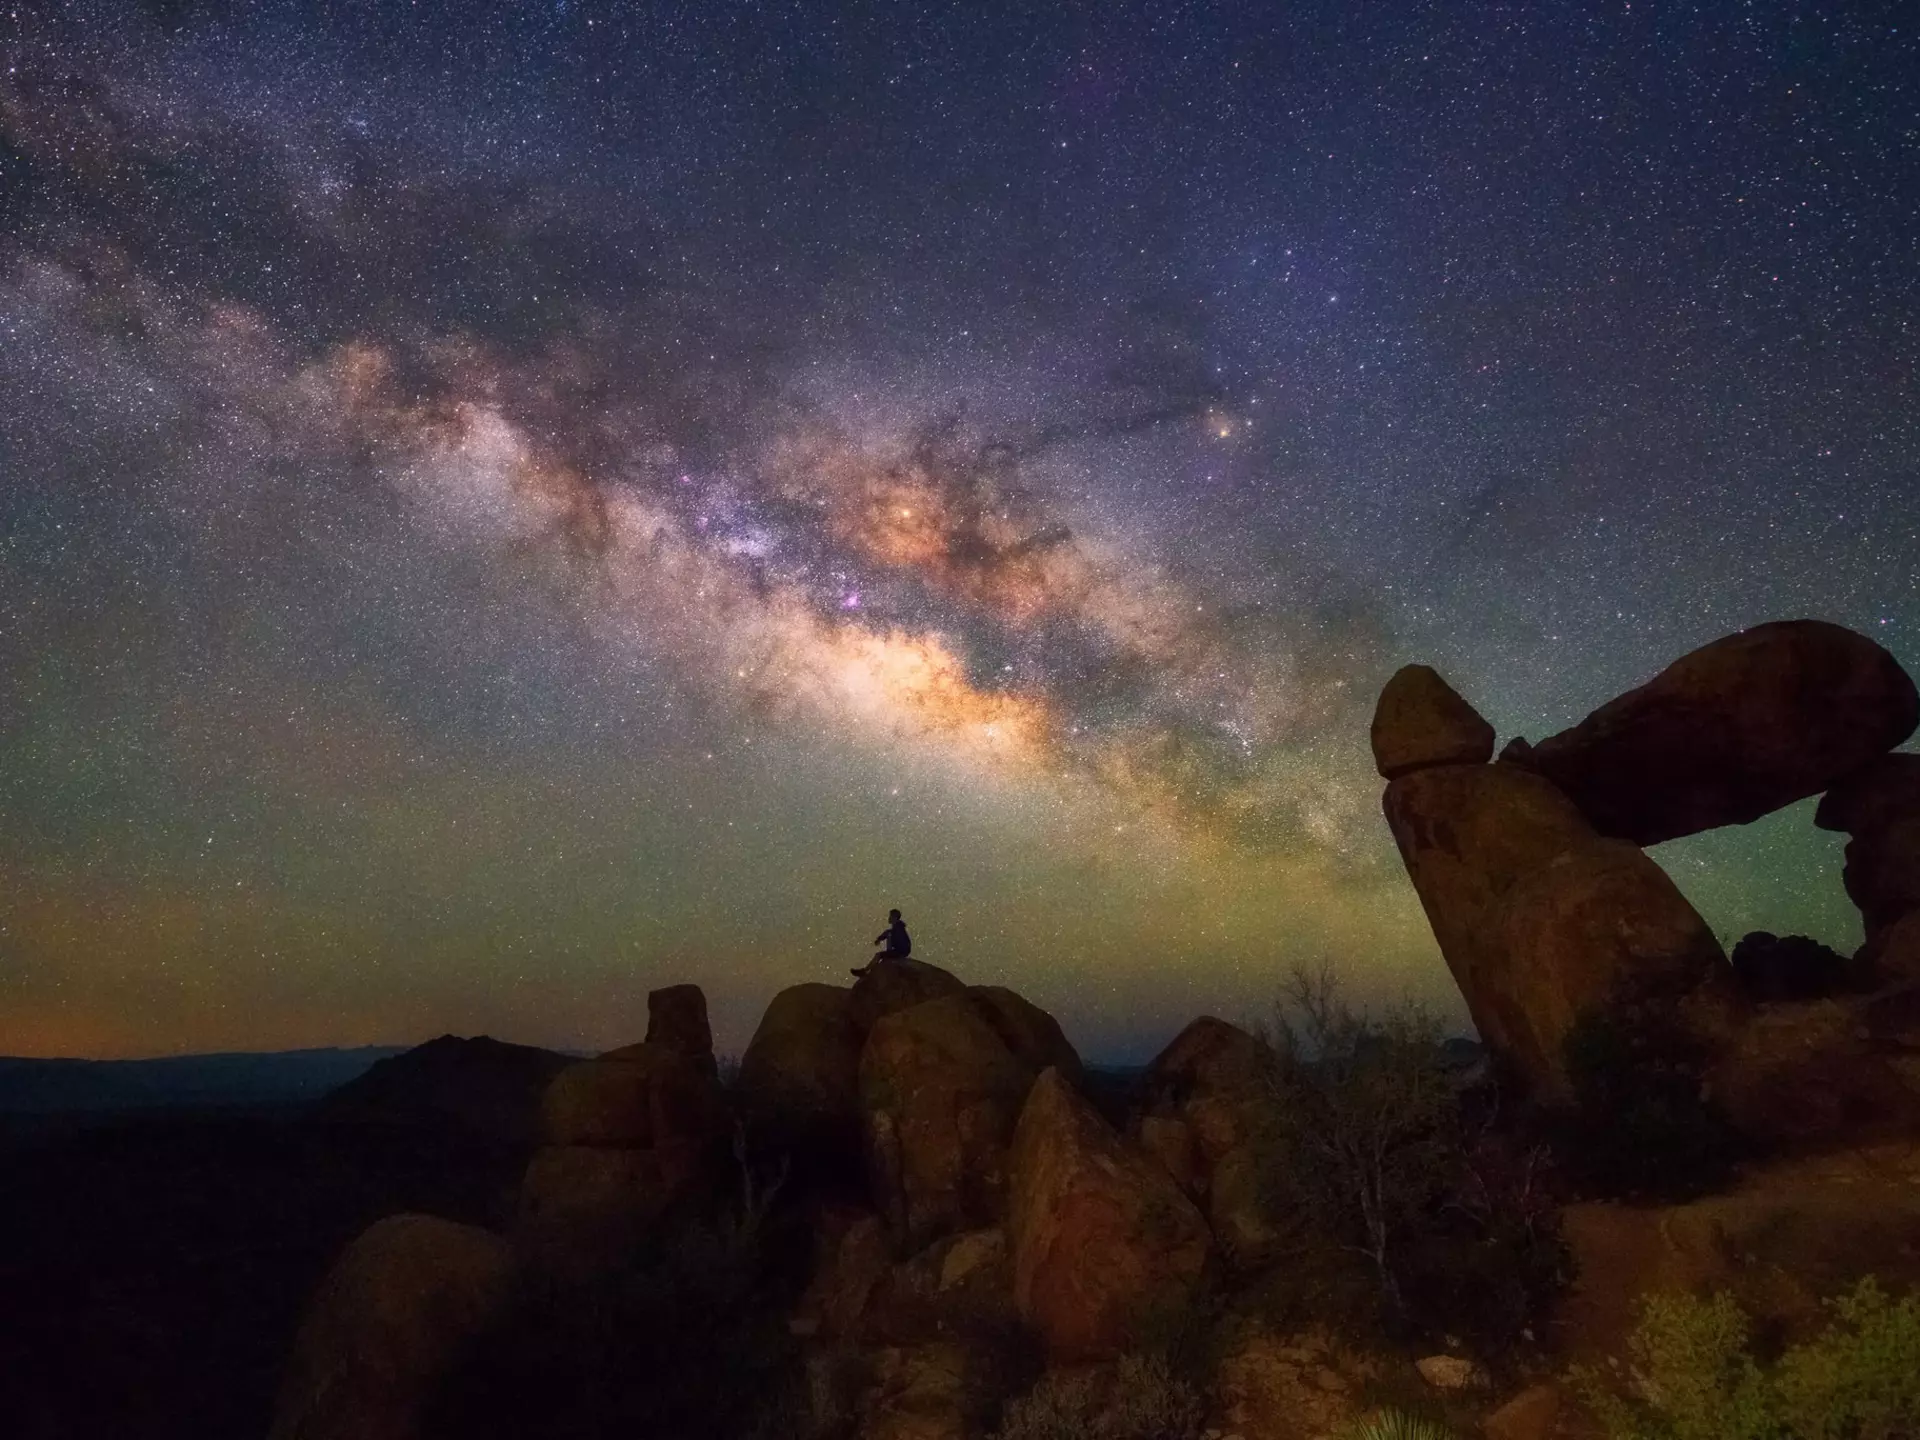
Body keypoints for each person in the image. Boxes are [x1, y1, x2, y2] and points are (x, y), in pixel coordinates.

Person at [852, 909, 911, 977]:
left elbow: (890, 934)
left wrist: (879, 939)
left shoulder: (897, 928)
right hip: (902, 951)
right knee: (888, 938)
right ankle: (868, 971)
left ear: (894, 917)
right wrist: (880, 939)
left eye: (890, 916)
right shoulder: (898, 927)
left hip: (900, 951)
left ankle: (865, 971)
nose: (889, 918)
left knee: (879, 955)